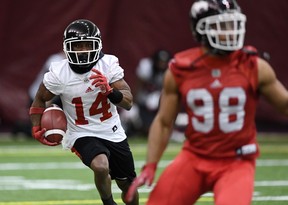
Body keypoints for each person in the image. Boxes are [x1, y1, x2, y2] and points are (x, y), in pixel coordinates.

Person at [125, 0, 288, 205]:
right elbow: (165, 122)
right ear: (202, 30)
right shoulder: (181, 68)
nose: (230, 31)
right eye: (222, 25)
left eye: (232, 24)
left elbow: (285, 105)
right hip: (194, 158)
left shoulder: (253, 66)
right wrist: (150, 165)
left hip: (236, 161)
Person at [29, 19, 139, 205]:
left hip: (112, 131)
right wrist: (36, 127)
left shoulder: (108, 65)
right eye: (77, 46)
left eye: (88, 45)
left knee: (127, 185)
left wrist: (111, 91)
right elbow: (39, 99)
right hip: (80, 131)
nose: (83, 51)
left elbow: (128, 102)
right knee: (101, 166)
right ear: (66, 48)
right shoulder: (59, 73)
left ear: (98, 46)